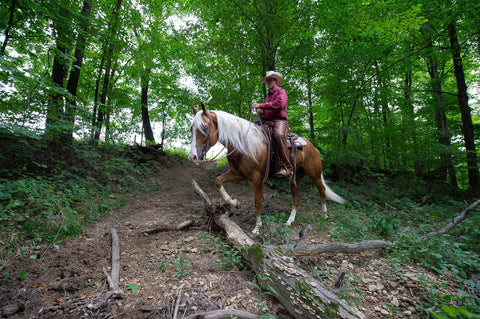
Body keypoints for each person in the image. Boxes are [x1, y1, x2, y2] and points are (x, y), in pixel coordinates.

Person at [250, 70, 293, 178]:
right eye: (267, 81)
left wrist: (261, 105)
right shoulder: (267, 97)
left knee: (278, 135)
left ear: (276, 81)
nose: (269, 82)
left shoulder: (281, 92)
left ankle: (287, 166)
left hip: (279, 121)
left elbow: (279, 104)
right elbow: (267, 108)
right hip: (268, 122)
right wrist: (261, 111)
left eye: (271, 80)